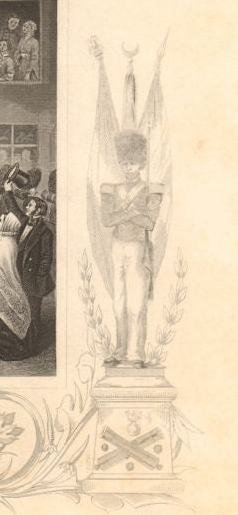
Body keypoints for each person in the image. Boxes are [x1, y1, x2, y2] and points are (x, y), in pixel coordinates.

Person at [100, 129, 164, 367]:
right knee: (119, 301)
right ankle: (119, 350)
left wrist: (123, 214)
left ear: (141, 164)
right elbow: (106, 221)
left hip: (138, 247)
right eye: (125, 163)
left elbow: (149, 223)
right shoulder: (111, 189)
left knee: (136, 303)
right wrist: (134, 213)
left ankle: (135, 353)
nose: (129, 168)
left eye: (133, 163)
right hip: (117, 247)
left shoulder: (152, 189)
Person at [0, 213, 38, 361]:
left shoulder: (6, 243)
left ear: (7, 225)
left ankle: (4, 345)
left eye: (0, 220)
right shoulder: (6, 239)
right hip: (3, 280)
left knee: (2, 309)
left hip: (1, 281)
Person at [3, 187, 55, 331]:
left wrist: (39, 278)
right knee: (19, 308)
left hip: (33, 278)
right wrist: (8, 191)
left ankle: (32, 343)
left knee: (33, 312)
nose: (26, 206)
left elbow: (46, 259)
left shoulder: (45, 232)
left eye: (30, 205)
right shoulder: (25, 221)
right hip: (19, 272)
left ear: (38, 210)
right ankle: (20, 339)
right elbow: (14, 208)